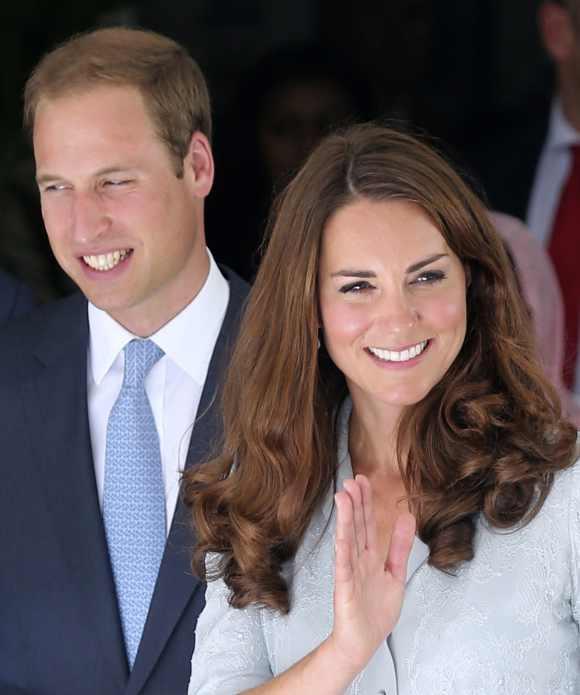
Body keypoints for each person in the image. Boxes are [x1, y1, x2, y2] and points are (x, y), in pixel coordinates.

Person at [185, 124, 579, 694]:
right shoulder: (261, 494)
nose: (398, 319)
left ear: (471, 281)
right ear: (310, 307)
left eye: (426, 277)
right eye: (357, 287)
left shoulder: (561, 490)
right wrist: (344, 652)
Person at [0, 27, 247, 695]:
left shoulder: (310, 367)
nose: (84, 226)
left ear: (197, 165)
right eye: (57, 187)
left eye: (113, 181)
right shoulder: (7, 376)